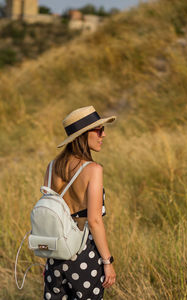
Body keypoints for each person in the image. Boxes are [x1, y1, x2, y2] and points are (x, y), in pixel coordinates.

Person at [43, 105, 117, 300]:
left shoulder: (52, 167)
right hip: (84, 254)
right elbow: (94, 221)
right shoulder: (93, 169)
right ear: (84, 135)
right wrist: (107, 261)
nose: (104, 135)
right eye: (99, 130)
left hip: (55, 256)